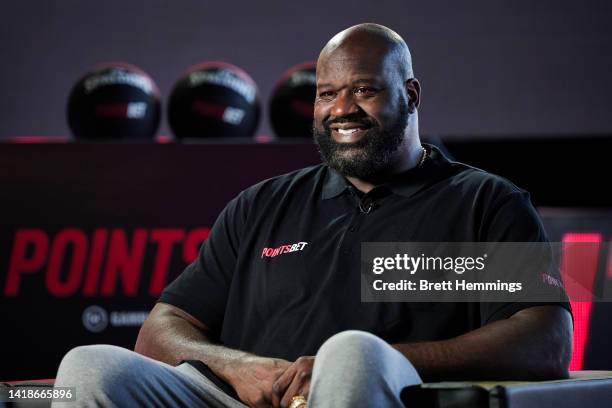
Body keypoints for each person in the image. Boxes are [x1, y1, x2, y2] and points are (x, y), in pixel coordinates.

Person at [53, 23, 573, 408]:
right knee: (89, 366)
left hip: (397, 393)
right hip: (243, 400)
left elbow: (545, 337)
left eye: (364, 90)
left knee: (350, 354)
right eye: (327, 94)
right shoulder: (261, 205)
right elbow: (163, 329)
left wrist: (388, 361)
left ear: (410, 96)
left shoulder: (481, 200)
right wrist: (239, 367)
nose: (341, 108)